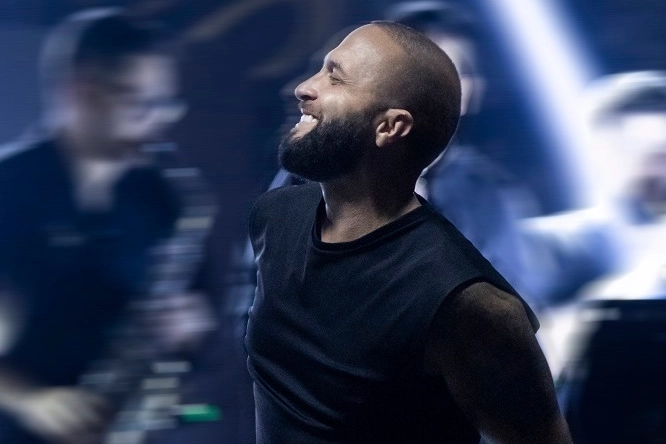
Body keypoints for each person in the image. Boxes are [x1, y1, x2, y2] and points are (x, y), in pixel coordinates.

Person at [246, 22, 572, 443]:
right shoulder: (275, 217)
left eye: (335, 77)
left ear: (390, 127)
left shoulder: (469, 305)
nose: (304, 88)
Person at [0, 9, 205, 444]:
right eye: (141, 102)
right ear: (81, 91)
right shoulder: (9, 187)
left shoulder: (161, 197)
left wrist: (189, 326)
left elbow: (193, 306)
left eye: (166, 103)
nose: (159, 120)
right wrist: (29, 399)